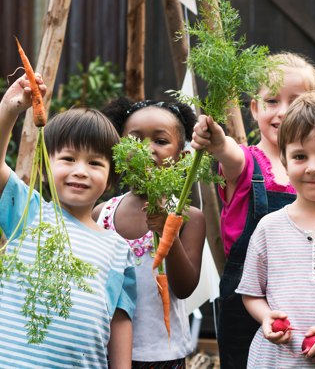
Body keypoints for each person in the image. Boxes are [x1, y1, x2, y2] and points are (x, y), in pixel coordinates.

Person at [191, 52, 315, 368]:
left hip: (307, 301)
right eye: (273, 100)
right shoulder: (246, 162)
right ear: (254, 108)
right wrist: (217, 140)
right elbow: (227, 154)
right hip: (245, 305)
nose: (284, 111)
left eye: (296, 100)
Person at [0, 74, 137, 368]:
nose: (81, 171)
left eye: (95, 162)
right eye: (68, 159)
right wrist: (9, 110)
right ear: (45, 163)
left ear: (112, 177)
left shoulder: (118, 248)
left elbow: (120, 320)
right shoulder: (28, 211)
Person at [92, 98, 206, 369]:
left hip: (161, 354)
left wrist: (168, 233)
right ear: (117, 151)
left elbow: (184, 287)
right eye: (135, 140)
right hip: (102, 350)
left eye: (161, 141)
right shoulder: (100, 214)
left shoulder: (190, 217)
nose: (147, 149)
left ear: (182, 157)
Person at [236, 89, 315, 368]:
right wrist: (266, 316)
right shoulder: (269, 228)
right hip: (274, 361)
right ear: (283, 160)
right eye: (300, 156)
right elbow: (252, 292)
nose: (313, 167)